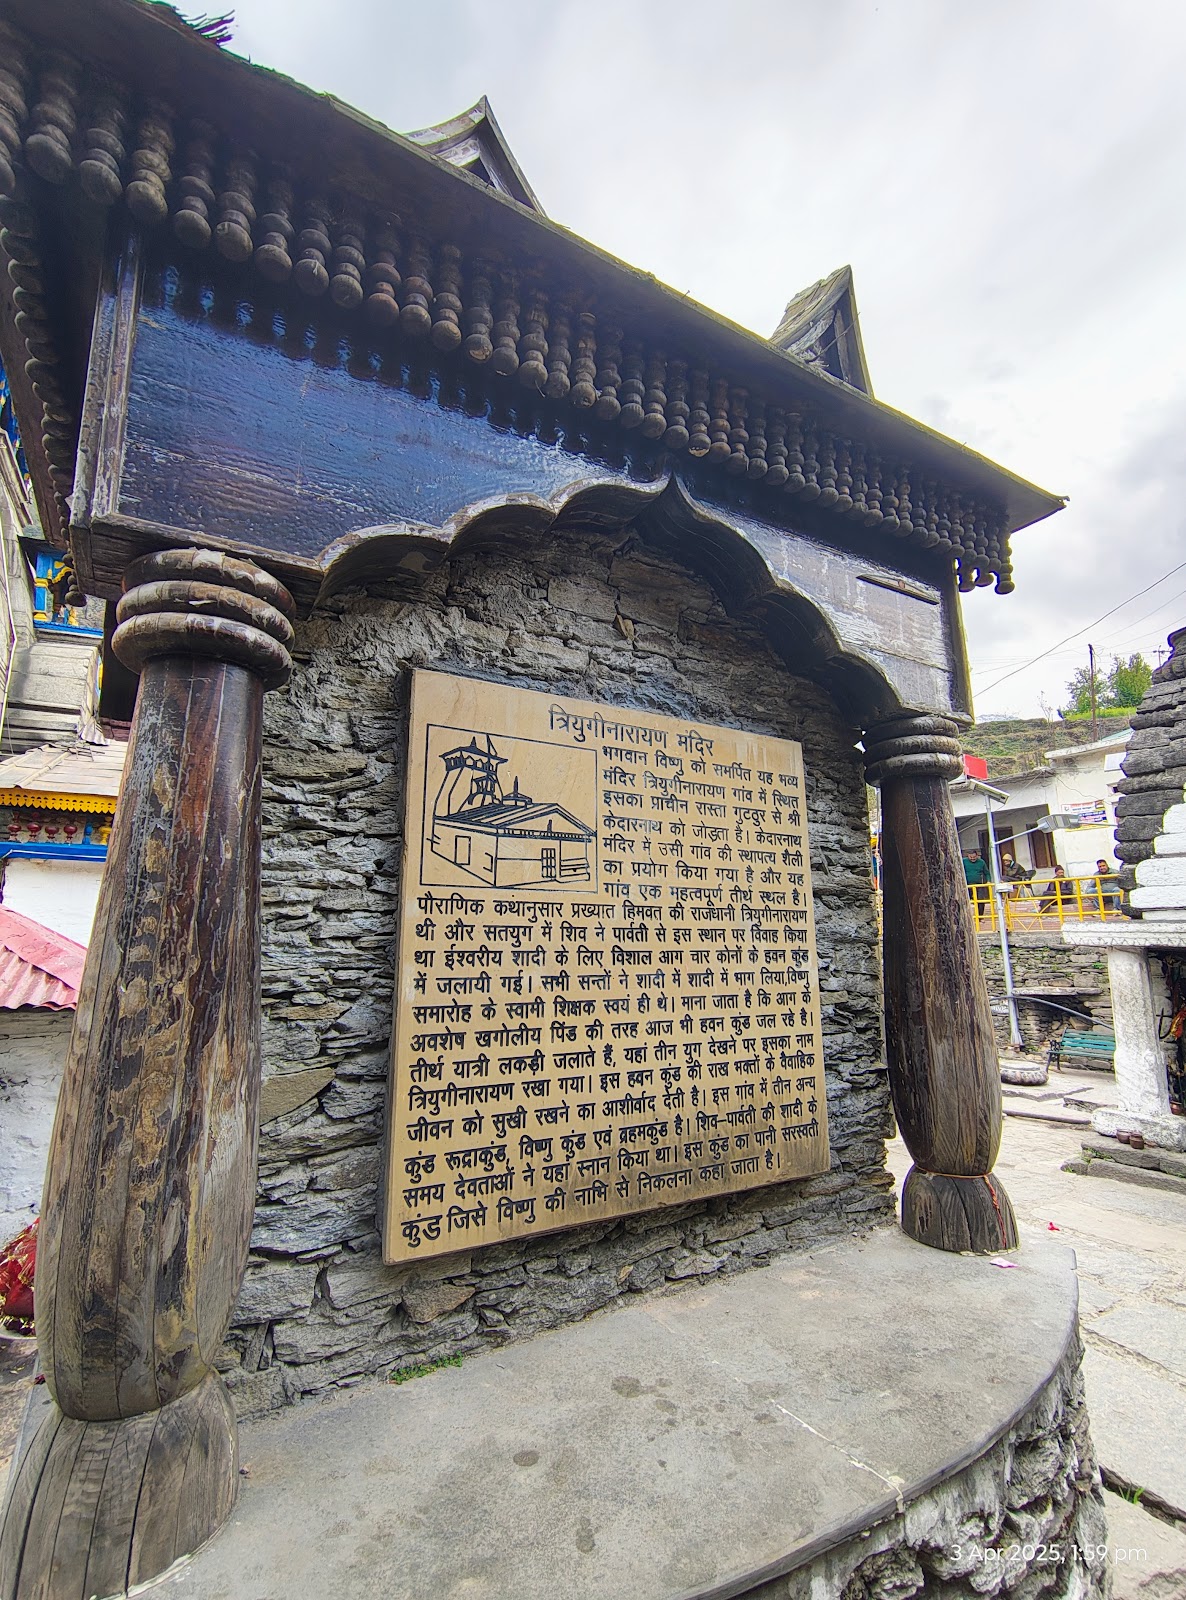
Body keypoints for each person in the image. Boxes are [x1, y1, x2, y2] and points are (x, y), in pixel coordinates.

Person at [962, 846, 991, 911]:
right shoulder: (963, 861)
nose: (972, 859)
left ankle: (981, 917)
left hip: (979, 884)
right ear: (968, 856)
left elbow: (987, 873)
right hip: (967, 885)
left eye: (974, 857)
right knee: (965, 900)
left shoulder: (981, 862)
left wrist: (988, 881)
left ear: (977, 856)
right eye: (971, 857)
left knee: (980, 900)